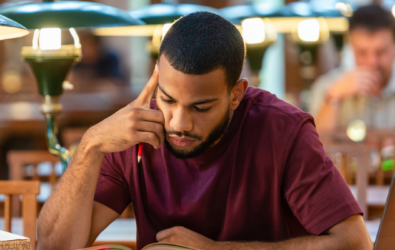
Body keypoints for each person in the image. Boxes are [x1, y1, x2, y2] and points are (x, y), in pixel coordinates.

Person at [37, 12, 372, 250]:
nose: (179, 123)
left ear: (236, 94)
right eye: (167, 99)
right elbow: (53, 247)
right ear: (156, 78)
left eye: (201, 107)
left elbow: (355, 243)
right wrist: (91, 144)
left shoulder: (284, 131)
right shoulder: (134, 130)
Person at [310, 4, 395, 132]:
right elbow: (315, 146)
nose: (372, 62)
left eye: (381, 52)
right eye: (362, 52)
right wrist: (334, 97)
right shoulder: (326, 87)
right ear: (351, 47)